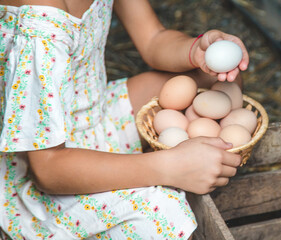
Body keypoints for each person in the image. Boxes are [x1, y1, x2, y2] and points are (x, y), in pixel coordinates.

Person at [0, 0, 249, 239]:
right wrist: (169, 167)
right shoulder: (41, 20)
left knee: (215, 83)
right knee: (164, 216)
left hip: (94, 113)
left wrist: (195, 51)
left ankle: (186, 160)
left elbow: (153, 39)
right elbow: (47, 170)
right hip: (41, 160)